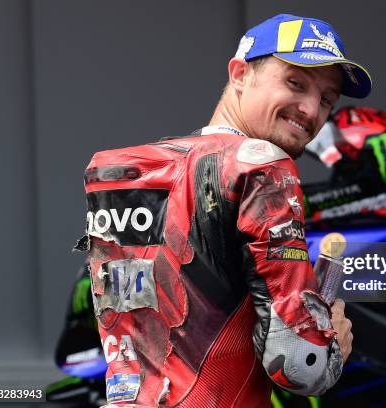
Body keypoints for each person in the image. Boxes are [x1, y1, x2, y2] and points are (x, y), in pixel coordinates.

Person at [81, 13, 371, 407]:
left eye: (326, 100)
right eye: (295, 83)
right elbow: (302, 366)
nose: (310, 109)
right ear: (239, 74)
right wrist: (331, 338)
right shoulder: (261, 165)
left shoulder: (123, 171)